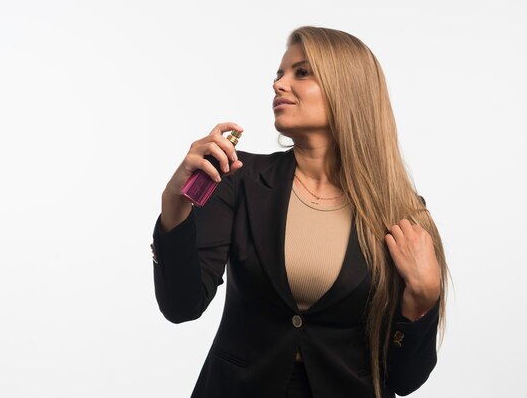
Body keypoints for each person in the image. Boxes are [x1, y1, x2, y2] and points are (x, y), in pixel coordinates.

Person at [151, 26, 448, 398]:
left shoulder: (402, 211)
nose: (279, 85)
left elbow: (405, 380)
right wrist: (174, 203)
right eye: (279, 75)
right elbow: (181, 306)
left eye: (301, 72)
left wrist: (423, 298)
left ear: (348, 89)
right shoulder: (237, 179)